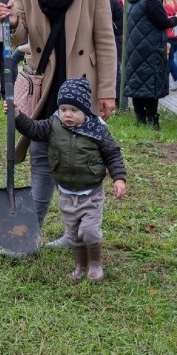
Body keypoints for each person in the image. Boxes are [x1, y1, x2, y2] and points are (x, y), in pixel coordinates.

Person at [0, 0, 117, 247]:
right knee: (40, 156)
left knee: (78, 163)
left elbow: (105, 38)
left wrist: (107, 90)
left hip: (79, 85)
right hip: (43, 82)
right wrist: (9, 19)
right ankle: (28, 233)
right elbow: (19, 29)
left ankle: (74, 232)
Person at [10, 77, 126, 281]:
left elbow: (112, 153)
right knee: (73, 234)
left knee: (89, 231)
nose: (68, 114)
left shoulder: (97, 128)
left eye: (74, 110)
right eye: (63, 109)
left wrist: (119, 178)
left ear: (85, 110)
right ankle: (80, 266)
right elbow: (33, 130)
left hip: (91, 193)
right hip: (66, 193)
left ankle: (96, 264)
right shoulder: (54, 125)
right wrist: (18, 116)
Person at [124, 0, 176, 129]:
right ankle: (153, 121)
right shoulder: (151, 0)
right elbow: (162, 22)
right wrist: (176, 19)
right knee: (151, 84)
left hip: (135, 48)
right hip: (150, 48)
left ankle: (140, 119)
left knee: (137, 84)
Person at [108, 0, 124, 106]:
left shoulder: (108, 0)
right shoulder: (111, 0)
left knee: (115, 68)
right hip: (116, 35)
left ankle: (117, 99)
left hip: (115, 36)